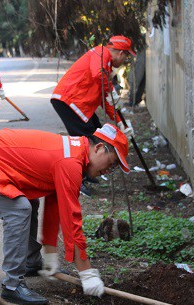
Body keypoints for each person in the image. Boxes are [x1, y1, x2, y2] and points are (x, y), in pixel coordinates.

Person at [0, 123, 130, 305]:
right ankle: (13, 286)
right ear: (99, 148)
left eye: (112, 169)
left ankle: (31, 262)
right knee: (19, 209)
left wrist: (50, 253)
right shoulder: (70, 163)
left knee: (29, 202)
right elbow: (71, 221)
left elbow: (55, 203)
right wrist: (87, 272)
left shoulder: (76, 155)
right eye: (111, 163)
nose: (108, 171)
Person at [50, 35, 136, 195]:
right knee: (85, 142)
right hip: (70, 101)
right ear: (121, 53)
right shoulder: (100, 53)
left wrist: (120, 124)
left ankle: (88, 172)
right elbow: (98, 75)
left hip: (80, 105)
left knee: (97, 133)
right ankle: (77, 179)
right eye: (126, 57)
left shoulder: (107, 65)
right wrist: (110, 89)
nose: (124, 61)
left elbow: (107, 100)